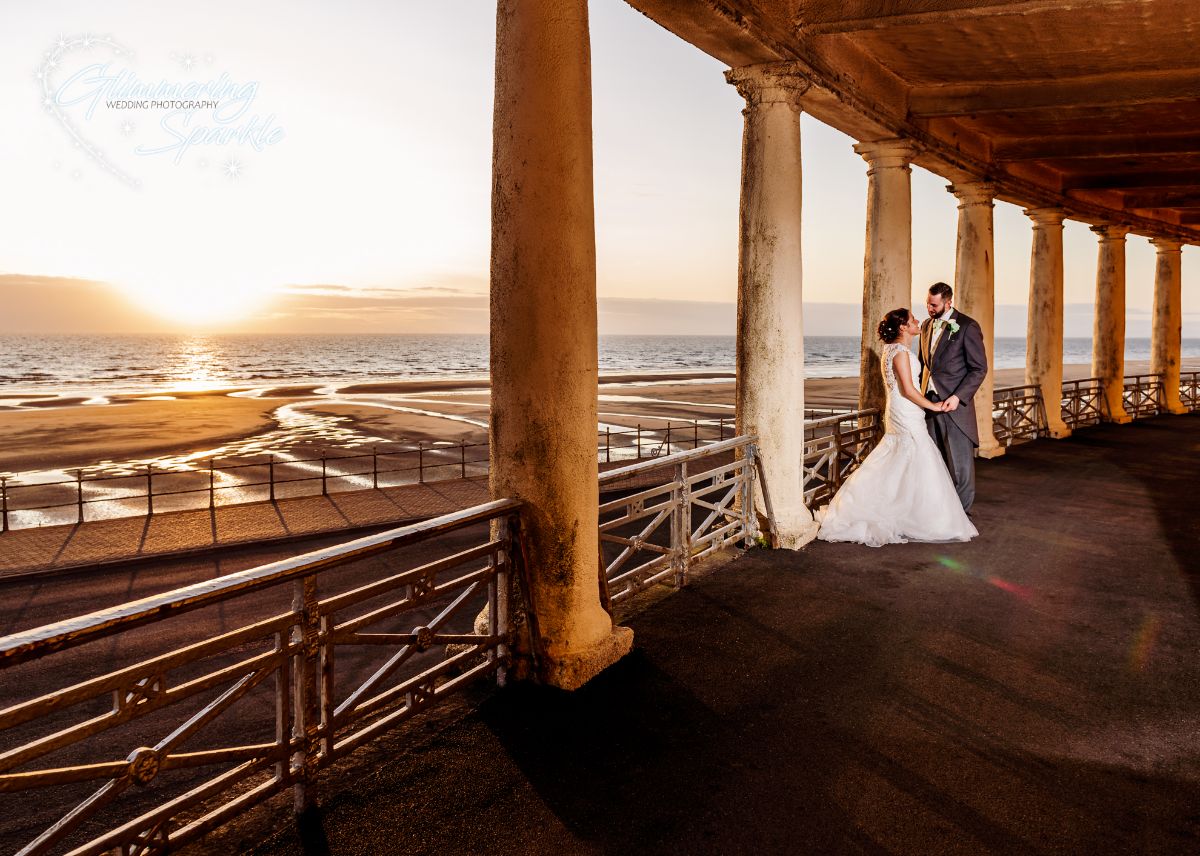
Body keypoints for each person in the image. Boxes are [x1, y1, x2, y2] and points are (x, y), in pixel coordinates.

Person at [816, 307, 978, 547]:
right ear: (903, 327)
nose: (918, 321)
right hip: (905, 410)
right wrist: (933, 406)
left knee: (902, 459)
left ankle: (906, 509)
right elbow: (909, 390)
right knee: (914, 456)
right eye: (913, 320)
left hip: (901, 409)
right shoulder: (900, 353)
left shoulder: (892, 350)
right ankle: (911, 515)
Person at [919, 282, 988, 512]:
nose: (929, 308)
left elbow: (979, 369)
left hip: (954, 406)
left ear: (948, 302)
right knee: (935, 462)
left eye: (934, 305)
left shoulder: (967, 326)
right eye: (928, 303)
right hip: (929, 404)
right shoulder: (926, 325)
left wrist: (958, 397)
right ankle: (940, 512)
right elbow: (924, 365)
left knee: (960, 466)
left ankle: (961, 517)